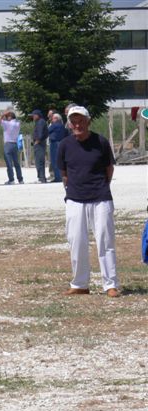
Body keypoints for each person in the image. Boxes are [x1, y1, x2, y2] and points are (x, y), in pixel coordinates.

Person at [57, 106, 120, 298]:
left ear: (88, 121)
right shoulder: (65, 145)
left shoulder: (101, 142)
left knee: (105, 241)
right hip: (75, 199)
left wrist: (101, 187)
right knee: (76, 242)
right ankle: (80, 284)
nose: (77, 125)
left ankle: (110, 284)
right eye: (74, 122)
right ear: (69, 124)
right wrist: (72, 190)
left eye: (81, 121)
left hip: (100, 198)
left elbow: (109, 169)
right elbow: (64, 173)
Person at [0, 110, 23, 185]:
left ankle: (11, 179)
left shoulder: (7, 124)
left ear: (10, 117)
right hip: (15, 144)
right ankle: (20, 179)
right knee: (16, 163)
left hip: (8, 144)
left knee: (9, 163)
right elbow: (17, 120)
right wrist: (9, 114)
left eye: (7, 117)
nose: (6, 118)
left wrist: (3, 114)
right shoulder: (18, 124)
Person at [31, 109, 49, 183]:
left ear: (37, 115)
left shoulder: (40, 122)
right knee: (39, 160)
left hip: (39, 144)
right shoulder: (40, 121)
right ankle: (41, 177)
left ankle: (42, 178)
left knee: (39, 161)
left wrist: (38, 140)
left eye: (33, 115)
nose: (32, 117)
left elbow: (40, 133)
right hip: (40, 143)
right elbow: (46, 133)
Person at [48, 113, 67, 183]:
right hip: (61, 143)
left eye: (53, 118)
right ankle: (61, 176)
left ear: (56, 119)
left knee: (54, 160)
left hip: (54, 143)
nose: (51, 120)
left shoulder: (54, 125)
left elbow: (47, 131)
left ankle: (58, 177)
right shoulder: (62, 126)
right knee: (60, 160)